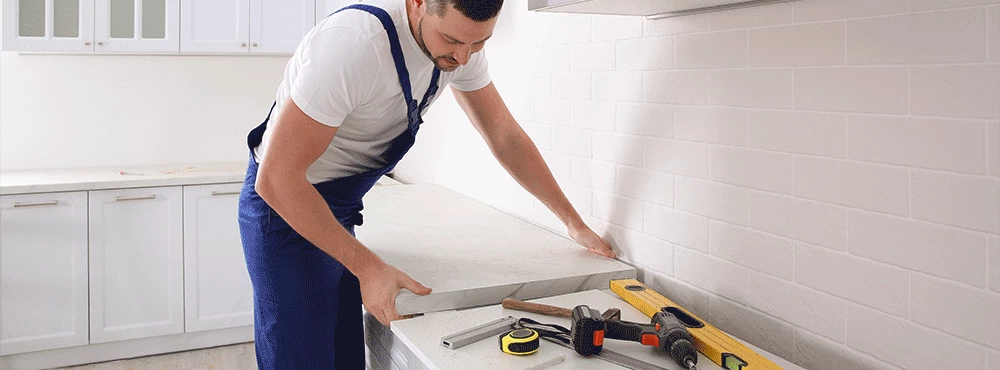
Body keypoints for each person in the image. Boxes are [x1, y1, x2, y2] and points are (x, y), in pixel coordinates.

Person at [237, 0, 617, 368]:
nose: (464, 57)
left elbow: (505, 137)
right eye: (452, 41)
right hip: (285, 211)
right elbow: (277, 179)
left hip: (337, 209)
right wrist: (368, 268)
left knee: (343, 355)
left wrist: (574, 224)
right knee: (301, 359)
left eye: (479, 42)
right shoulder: (353, 46)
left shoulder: (457, 49)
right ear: (417, 3)